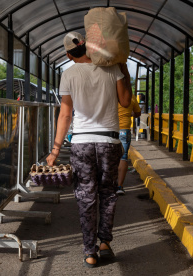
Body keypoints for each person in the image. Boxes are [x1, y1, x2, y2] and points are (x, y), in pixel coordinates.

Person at [46, 31, 131, 268]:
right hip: (109, 142)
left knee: (86, 195)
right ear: (88, 48)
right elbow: (125, 102)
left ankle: (90, 252)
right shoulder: (111, 68)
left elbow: (65, 114)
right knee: (108, 193)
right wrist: (123, 67)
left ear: (68, 54)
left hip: (81, 143)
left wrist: (55, 150)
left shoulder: (69, 74)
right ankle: (104, 242)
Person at [117, 97, 141, 195]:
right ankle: (119, 186)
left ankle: (108, 184)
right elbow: (138, 113)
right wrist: (130, 113)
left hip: (110, 129)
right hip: (124, 130)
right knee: (123, 157)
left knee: (109, 157)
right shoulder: (131, 96)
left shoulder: (110, 93)